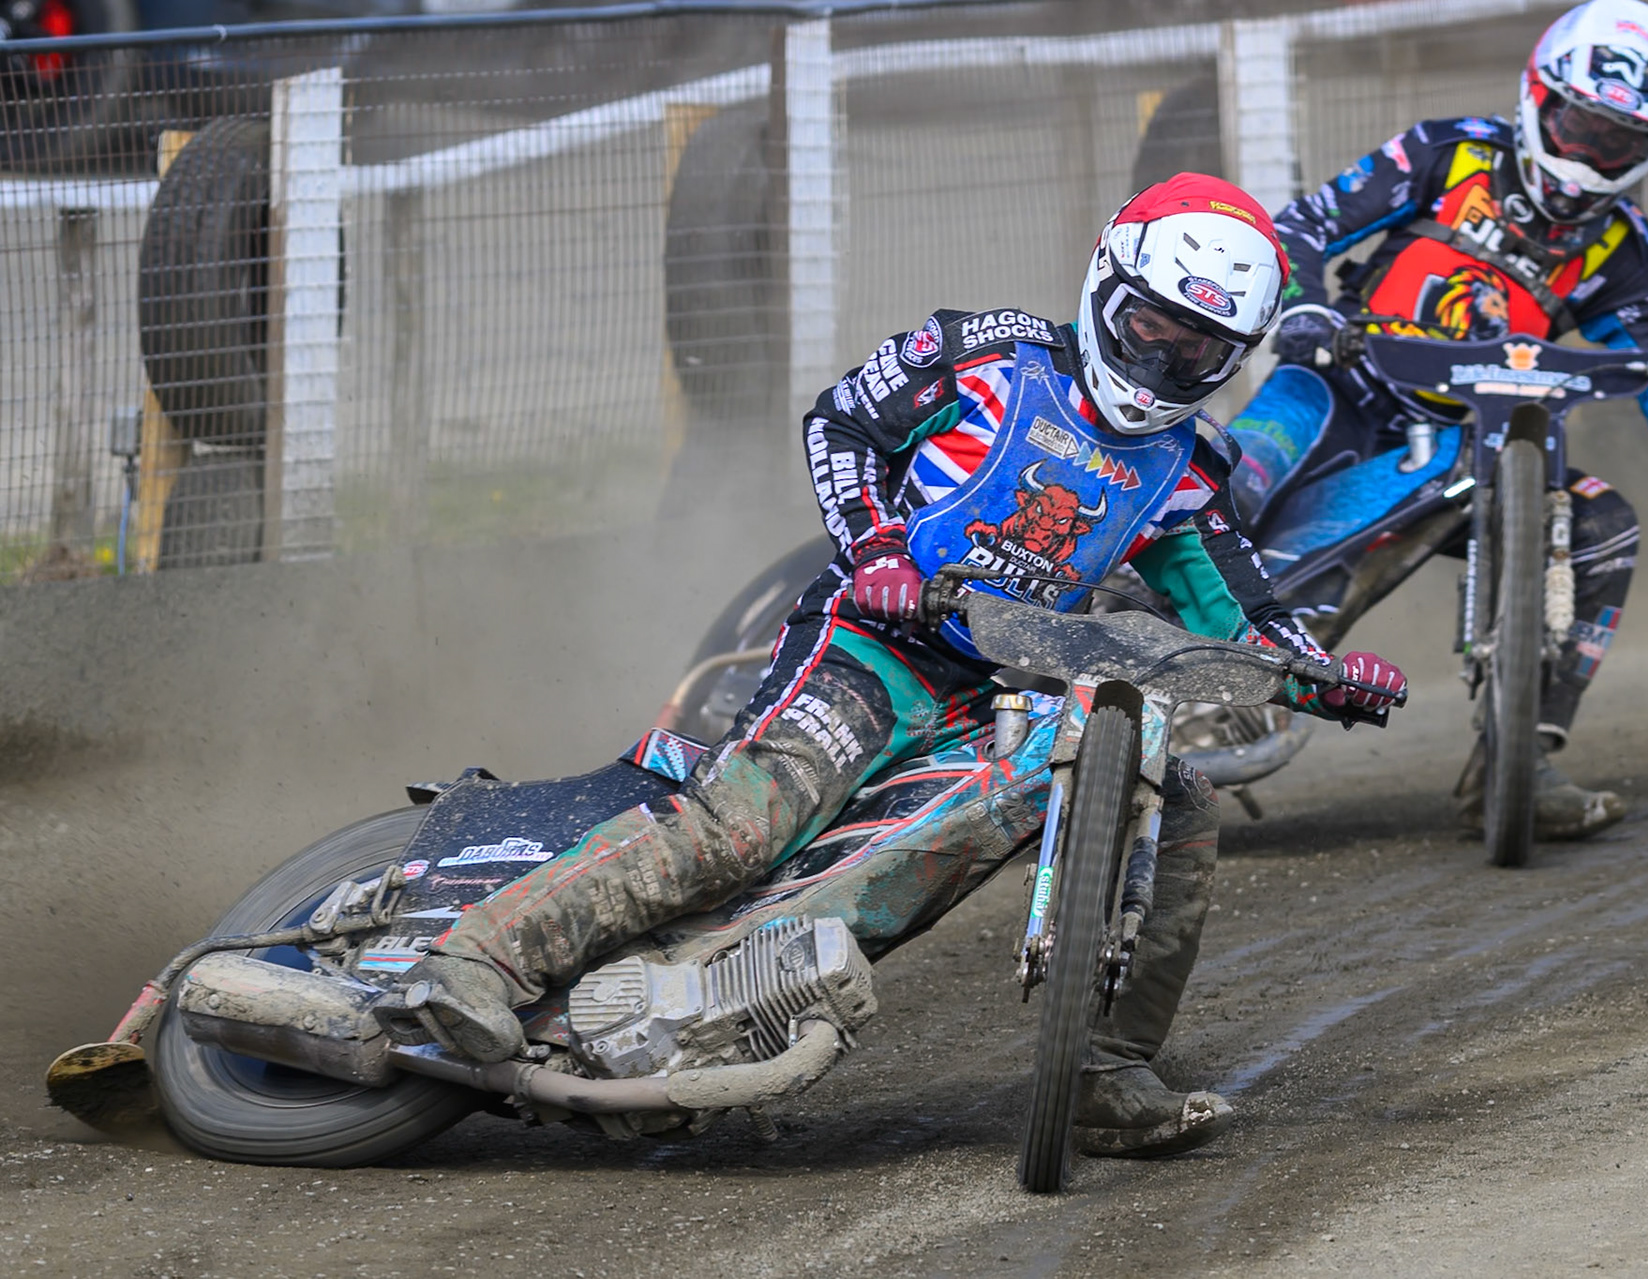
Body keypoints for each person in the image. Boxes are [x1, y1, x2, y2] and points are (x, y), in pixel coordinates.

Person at [382, 173, 1408, 1159]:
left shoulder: (1193, 470)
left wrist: (1329, 676)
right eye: (1153, 331)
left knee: (1173, 799)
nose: (1167, 366)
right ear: (1107, 287)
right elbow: (841, 423)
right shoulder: (982, 356)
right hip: (872, 640)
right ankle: (475, 960)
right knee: (752, 819)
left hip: (1007, 689)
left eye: (1201, 354)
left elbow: (1246, 616)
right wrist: (875, 550)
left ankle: (1103, 1074)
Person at [1230, 0, 1648, 840]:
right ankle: (1137, 649)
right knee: (1237, 470)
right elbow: (1302, 226)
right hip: (1346, 384)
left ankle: (1520, 760)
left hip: (1486, 438)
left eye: (1616, 142)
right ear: (1538, 97)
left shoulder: (1623, 249)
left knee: (1606, 526)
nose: (1589, 157)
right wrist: (1305, 310)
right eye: (1580, 126)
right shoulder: (1449, 153)